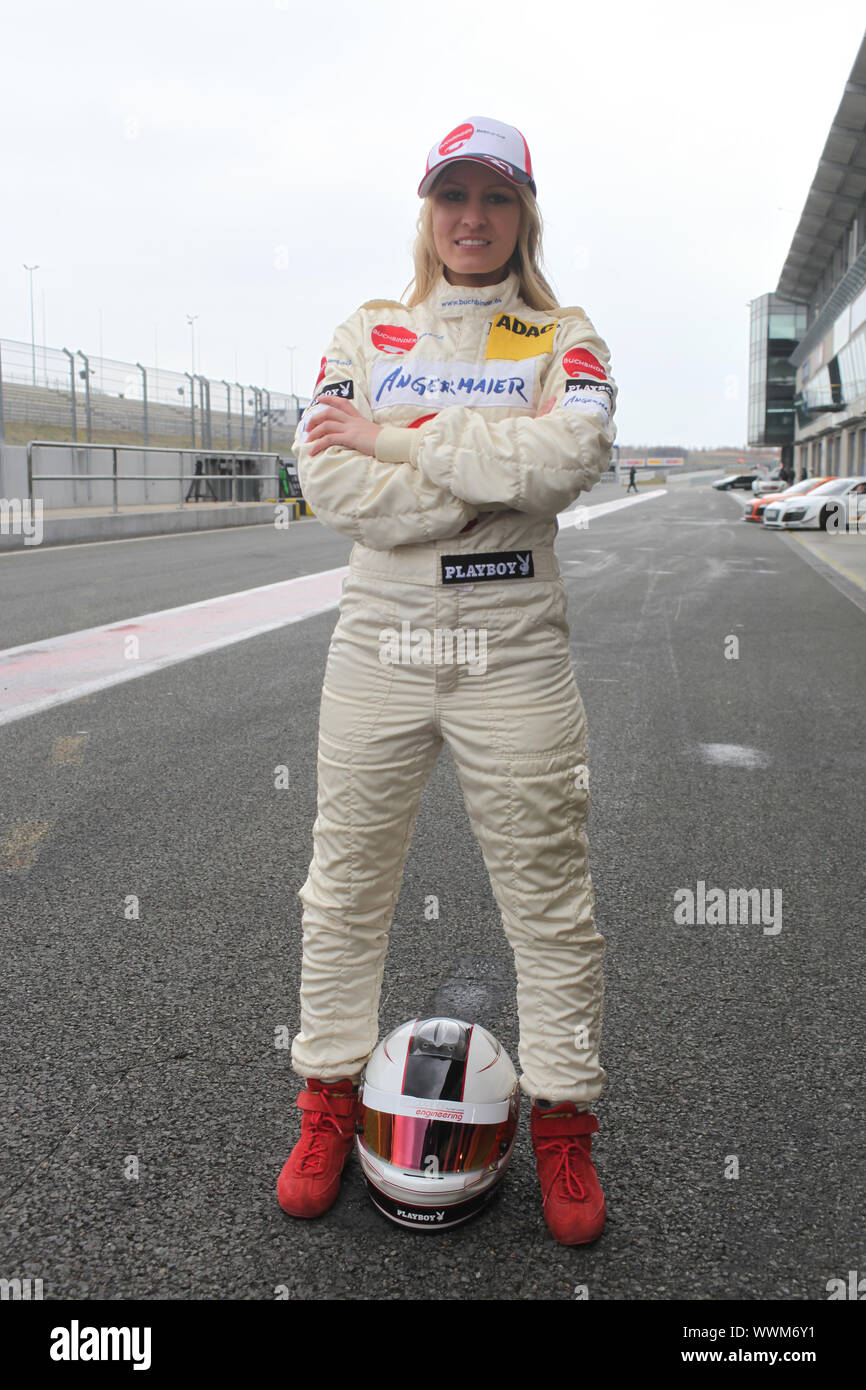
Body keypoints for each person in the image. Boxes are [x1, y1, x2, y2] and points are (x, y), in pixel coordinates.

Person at [276, 117, 618, 1246]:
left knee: (548, 899)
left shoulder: (561, 334)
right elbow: (327, 478)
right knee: (344, 886)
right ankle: (326, 1098)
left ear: (524, 212)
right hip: (379, 639)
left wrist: (393, 438)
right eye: (450, 196)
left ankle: (562, 1118)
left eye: (495, 197)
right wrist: (458, 469)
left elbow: (562, 462)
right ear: (426, 209)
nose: (471, 218)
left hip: (512, 645)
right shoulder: (366, 328)